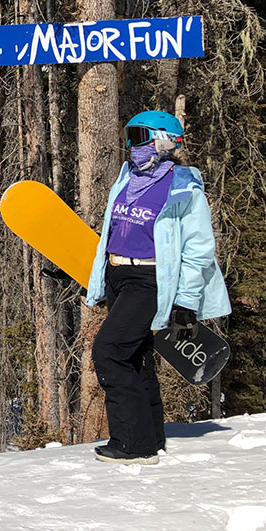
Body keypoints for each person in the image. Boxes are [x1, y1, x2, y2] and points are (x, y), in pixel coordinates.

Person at [84, 110, 231, 465]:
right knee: (136, 356)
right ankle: (151, 436)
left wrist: (186, 301)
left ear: (164, 141)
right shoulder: (126, 179)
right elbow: (115, 231)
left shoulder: (183, 188)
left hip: (151, 282)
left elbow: (198, 250)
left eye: (138, 137)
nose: (131, 146)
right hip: (119, 275)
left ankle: (134, 446)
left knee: (110, 351)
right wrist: (86, 267)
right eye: (129, 136)